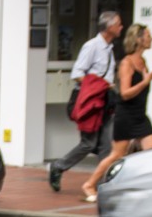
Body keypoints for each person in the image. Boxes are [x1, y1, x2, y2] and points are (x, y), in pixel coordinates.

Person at [48, 11, 123, 193]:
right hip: (92, 102)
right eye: (119, 24)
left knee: (106, 143)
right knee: (88, 143)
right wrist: (100, 85)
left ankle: (103, 182)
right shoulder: (92, 46)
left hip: (106, 101)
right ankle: (58, 166)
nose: (121, 27)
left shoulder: (109, 48)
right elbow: (77, 74)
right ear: (110, 27)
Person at [82, 23, 152, 201]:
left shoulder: (143, 62)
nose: (151, 38)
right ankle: (89, 184)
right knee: (117, 154)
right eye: (148, 35)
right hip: (126, 115)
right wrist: (145, 83)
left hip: (140, 115)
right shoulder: (127, 63)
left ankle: (145, 188)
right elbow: (125, 93)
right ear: (139, 40)